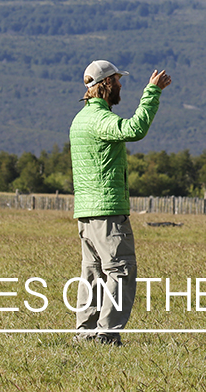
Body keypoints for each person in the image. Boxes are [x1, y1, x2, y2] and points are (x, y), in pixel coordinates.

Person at [70, 59, 172, 346]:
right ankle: (107, 332)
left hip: (86, 213)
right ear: (105, 85)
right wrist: (152, 93)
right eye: (117, 80)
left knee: (93, 273)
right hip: (108, 210)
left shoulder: (80, 120)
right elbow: (134, 129)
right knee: (120, 269)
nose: (120, 86)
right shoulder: (100, 120)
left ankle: (85, 331)